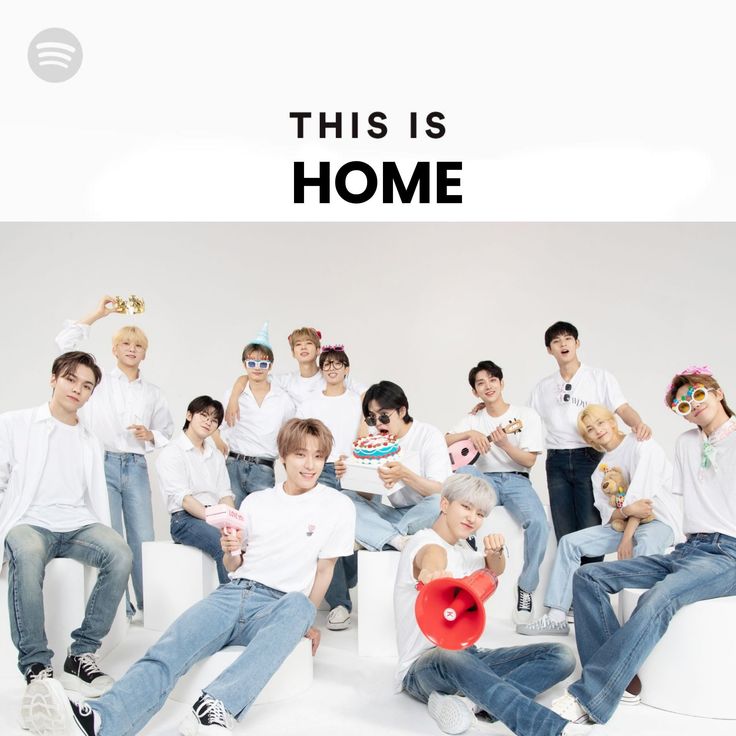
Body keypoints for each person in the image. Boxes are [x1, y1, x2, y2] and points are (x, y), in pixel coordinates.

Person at [24, 418, 356, 736]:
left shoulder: (337, 506)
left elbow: (324, 570)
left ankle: (216, 706)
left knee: (300, 606)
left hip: (280, 605)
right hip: (233, 593)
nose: (310, 465)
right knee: (168, 648)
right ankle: (101, 721)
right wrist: (232, 550)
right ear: (283, 457)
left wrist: (305, 622)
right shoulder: (256, 502)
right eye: (301, 454)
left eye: (318, 456)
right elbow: (233, 566)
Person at [548, 365, 736, 726]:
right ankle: (624, 681)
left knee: (659, 597)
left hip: (728, 553)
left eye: (698, 395)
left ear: (717, 392)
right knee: (588, 577)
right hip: (690, 547)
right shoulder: (686, 443)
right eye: (683, 404)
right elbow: (680, 497)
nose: (692, 405)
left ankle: (592, 695)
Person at [394, 473, 589, 736]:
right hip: (423, 668)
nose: (472, 517)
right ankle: (548, 729)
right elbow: (430, 558)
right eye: (465, 506)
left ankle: (471, 702)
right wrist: (433, 573)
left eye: (480, 513)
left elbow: (493, 570)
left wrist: (495, 553)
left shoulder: (462, 552)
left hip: (469, 656)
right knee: (451, 654)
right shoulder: (423, 541)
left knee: (562, 656)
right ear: (444, 504)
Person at [0, 351, 132, 699]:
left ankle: (81, 654)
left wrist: (101, 527)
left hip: (76, 524)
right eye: (71, 379)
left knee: (120, 553)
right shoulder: (15, 423)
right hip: (30, 521)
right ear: (54, 378)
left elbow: (92, 496)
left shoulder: (89, 439)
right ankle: (36, 665)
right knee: (27, 554)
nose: (78, 389)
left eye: (86, 385)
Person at [517, 404, 682, 638]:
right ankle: (556, 617)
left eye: (601, 423)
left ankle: (640, 623)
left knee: (644, 547)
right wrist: (624, 516)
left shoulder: (642, 445)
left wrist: (626, 538)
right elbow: (610, 514)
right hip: (623, 524)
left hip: (659, 521)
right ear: (589, 438)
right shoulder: (599, 471)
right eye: (591, 429)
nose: (598, 430)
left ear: (613, 422)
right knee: (570, 543)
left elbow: (643, 503)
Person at [55, 296, 174, 619]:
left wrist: (151, 436)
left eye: (137, 345)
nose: (131, 349)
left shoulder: (153, 392)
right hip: (102, 462)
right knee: (110, 536)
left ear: (144, 352)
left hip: (135, 466)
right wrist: (98, 313)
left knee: (143, 538)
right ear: (115, 349)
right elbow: (64, 344)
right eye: (125, 343)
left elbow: (167, 430)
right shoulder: (98, 382)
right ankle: (120, 607)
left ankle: (150, 608)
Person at [529, 321, 651, 566]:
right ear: (549, 350)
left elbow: (622, 407)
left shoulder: (599, 377)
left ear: (577, 344)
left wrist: (638, 423)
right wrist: (487, 409)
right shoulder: (542, 387)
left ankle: (589, 583)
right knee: (564, 528)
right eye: (556, 341)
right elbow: (526, 421)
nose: (563, 344)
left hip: (591, 457)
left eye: (568, 339)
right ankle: (571, 592)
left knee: (591, 525)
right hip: (557, 461)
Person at [447, 360, 548, 622]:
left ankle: (526, 586)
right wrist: (468, 432)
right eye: (481, 383)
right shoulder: (473, 417)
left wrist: (503, 444)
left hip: (516, 480)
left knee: (539, 522)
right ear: (475, 392)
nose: (488, 386)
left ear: (502, 383)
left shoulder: (525, 416)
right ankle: (467, 538)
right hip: (483, 481)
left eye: (493, 380)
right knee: (464, 473)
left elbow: (528, 461)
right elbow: (442, 440)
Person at [296, 344, 363, 631]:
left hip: (352, 470)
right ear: (322, 371)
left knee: (356, 531)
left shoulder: (358, 399)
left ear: (347, 369)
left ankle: (346, 578)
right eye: (327, 365)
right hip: (321, 470)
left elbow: (366, 433)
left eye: (338, 364)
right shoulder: (310, 401)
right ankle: (340, 603)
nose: (332, 368)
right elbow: (302, 435)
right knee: (326, 534)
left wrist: (355, 457)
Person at [348, 381, 452, 552]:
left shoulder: (428, 435)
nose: (379, 424)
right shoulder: (375, 442)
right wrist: (352, 473)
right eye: (372, 418)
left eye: (383, 415)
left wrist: (404, 474)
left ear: (402, 411)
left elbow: (439, 490)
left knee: (437, 503)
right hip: (396, 514)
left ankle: (376, 535)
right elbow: (367, 496)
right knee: (347, 498)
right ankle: (396, 539)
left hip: (426, 512)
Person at [156, 396, 235, 584]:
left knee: (243, 541)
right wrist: (216, 520)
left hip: (215, 516)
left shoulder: (215, 456)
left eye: (214, 420)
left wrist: (232, 523)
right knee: (224, 544)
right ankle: (232, 608)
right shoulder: (172, 452)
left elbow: (225, 495)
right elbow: (184, 499)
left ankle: (249, 603)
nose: (209, 422)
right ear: (189, 415)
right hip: (184, 519)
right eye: (204, 415)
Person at [216, 324, 296, 507]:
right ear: (244, 364)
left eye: (263, 363)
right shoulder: (233, 394)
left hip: (263, 468)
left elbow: (290, 435)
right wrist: (219, 442)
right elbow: (215, 424)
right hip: (233, 464)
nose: (257, 368)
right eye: (252, 363)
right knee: (231, 521)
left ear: (270, 366)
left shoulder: (283, 399)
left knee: (261, 521)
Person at [224, 326, 366, 421]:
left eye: (308, 343)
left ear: (318, 350)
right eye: (298, 344)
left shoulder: (332, 376)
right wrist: (233, 399)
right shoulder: (286, 380)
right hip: (303, 446)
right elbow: (250, 377)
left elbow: (366, 394)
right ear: (293, 353)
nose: (303, 347)